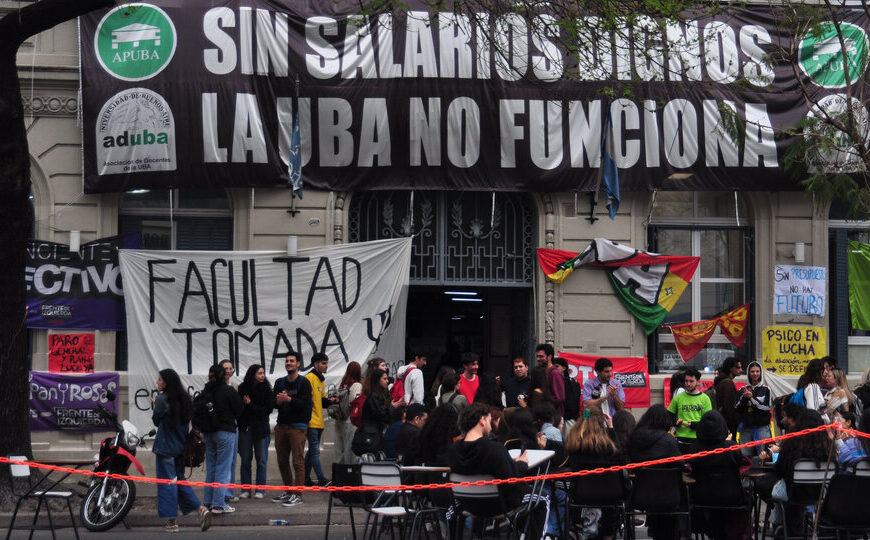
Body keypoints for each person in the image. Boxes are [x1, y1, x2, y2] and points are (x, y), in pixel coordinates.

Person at [448, 402, 547, 539]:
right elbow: (510, 480)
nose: (490, 424)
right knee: (542, 497)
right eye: (489, 419)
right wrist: (521, 464)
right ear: (482, 420)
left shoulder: (453, 450)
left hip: (467, 503)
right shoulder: (494, 448)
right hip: (497, 505)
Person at [151, 368, 211, 532]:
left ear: (167, 382)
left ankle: (172, 522)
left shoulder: (162, 399)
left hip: (165, 449)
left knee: (167, 484)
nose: (157, 382)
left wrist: (154, 405)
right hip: (180, 447)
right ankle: (201, 509)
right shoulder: (185, 399)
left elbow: (157, 421)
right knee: (180, 481)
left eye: (160, 380)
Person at [688, 410, 751, 540]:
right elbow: (744, 463)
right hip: (732, 497)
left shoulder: (695, 449)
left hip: (702, 497)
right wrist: (727, 443)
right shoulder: (731, 448)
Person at [565, 412, 624, 540]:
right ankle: (608, 536)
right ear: (602, 427)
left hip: (582, 494)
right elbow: (621, 458)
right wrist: (612, 429)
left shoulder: (576, 448)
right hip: (611, 494)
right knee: (611, 506)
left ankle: (579, 528)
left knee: (573, 496)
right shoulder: (610, 447)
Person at [626, 405, 681, 540]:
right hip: (667, 495)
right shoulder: (668, 440)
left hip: (640, 493)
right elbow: (680, 464)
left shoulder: (634, 438)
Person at [271, 351, 312, 507]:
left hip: (297, 427)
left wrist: (289, 399)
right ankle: (288, 491)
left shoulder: (304, 382)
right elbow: (273, 403)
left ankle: (298, 494)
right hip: (282, 426)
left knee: (297, 461)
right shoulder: (279, 382)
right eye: (287, 361)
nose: (288, 363)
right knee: (282, 461)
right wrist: (279, 401)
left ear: (298, 364)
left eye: (292, 361)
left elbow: (306, 404)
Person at [201, 364, 243, 514]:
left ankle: (207, 502)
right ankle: (219, 504)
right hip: (225, 432)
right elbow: (239, 409)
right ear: (222, 375)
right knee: (223, 469)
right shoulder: (228, 390)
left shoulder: (206, 390)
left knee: (211, 468)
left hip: (209, 433)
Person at [236, 364, 273, 499]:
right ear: (252, 374)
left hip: (261, 429)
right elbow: (239, 408)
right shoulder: (242, 388)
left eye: (263, 373)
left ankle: (260, 489)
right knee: (245, 460)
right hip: (246, 428)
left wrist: (250, 404)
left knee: (261, 460)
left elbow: (267, 410)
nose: (262, 375)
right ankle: (246, 489)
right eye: (259, 373)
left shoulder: (267, 390)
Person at [304, 352, 334, 487]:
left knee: (312, 451)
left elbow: (321, 401)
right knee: (314, 451)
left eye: (327, 363)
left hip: (319, 421)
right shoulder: (309, 378)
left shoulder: (320, 380)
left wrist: (331, 401)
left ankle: (305, 479)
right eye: (323, 363)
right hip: (311, 422)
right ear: (315, 364)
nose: (326, 365)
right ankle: (321, 479)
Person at [735, 360, 772, 456]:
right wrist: (744, 397)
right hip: (746, 428)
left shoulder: (766, 389)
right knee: (745, 455)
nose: (755, 374)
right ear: (748, 373)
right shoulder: (742, 390)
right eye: (752, 371)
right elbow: (737, 408)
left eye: (757, 371)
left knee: (764, 454)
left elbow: (766, 408)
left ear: (761, 373)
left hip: (762, 428)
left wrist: (751, 398)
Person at [667, 367, 712, 442]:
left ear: (698, 382)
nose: (688, 384)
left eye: (691, 381)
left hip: (698, 438)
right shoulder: (678, 397)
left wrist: (693, 425)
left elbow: (708, 421)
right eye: (686, 381)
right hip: (681, 437)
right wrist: (676, 423)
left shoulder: (705, 399)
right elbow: (668, 417)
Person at [218, 359, 240, 503]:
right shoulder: (216, 386)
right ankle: (220, 493)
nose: (228, 371)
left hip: (234, 424)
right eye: (225, 368)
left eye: (230, 368)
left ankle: (229, 492)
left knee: (232, 460)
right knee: (222, 462)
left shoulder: (236, 387)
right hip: (221, 426)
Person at [334, 361, 362, 464]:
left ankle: (338, 474)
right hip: (350, 421)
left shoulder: (343, 384)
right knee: (349, 450)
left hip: (339, 419)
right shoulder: (357, 385)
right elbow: (355, 401)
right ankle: (348, 475)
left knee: (338, 450)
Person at [713, 357, 743, 436]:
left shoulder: (722, 381)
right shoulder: (727, 384)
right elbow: (729, 408)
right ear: (730, 368)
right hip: (727, 425)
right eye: (738, 367)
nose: (741, 370)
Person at [553, 357, 582, 433]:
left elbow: (574, 403)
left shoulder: (572, 383)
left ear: (564, 368)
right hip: (556, 419)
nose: (554, 369)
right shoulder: (553, 380)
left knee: (569, 443)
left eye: (556, 367)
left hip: (568, 420)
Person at [536, 343, 565, 416]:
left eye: (541, 356)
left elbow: (559, 398)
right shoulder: (543, 372)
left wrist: (541, 400)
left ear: (549, 357)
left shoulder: (555, 373)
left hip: (553, 418)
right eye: (537, 356)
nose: (538, 359)